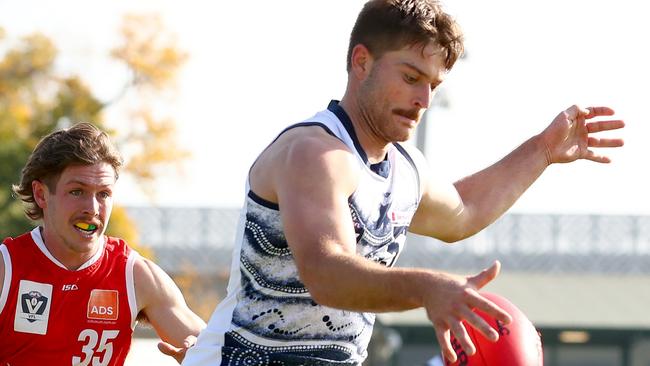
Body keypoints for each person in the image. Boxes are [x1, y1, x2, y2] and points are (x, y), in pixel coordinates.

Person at [182, 0, 625, 365]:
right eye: (411, 77)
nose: (424, 100)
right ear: (361, 62)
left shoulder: (404, 169)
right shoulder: (314, 153)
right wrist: (429, 288)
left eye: (433, 85)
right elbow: (327, 272)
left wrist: (542, 152)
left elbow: (462, 212)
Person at [0, 122, 206, 365]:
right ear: (41, 195)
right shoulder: (7, 269)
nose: (92, 209)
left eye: (104, 194)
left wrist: (202, 356)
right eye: (77, 191)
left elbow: (218, 353)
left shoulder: (136, 276)